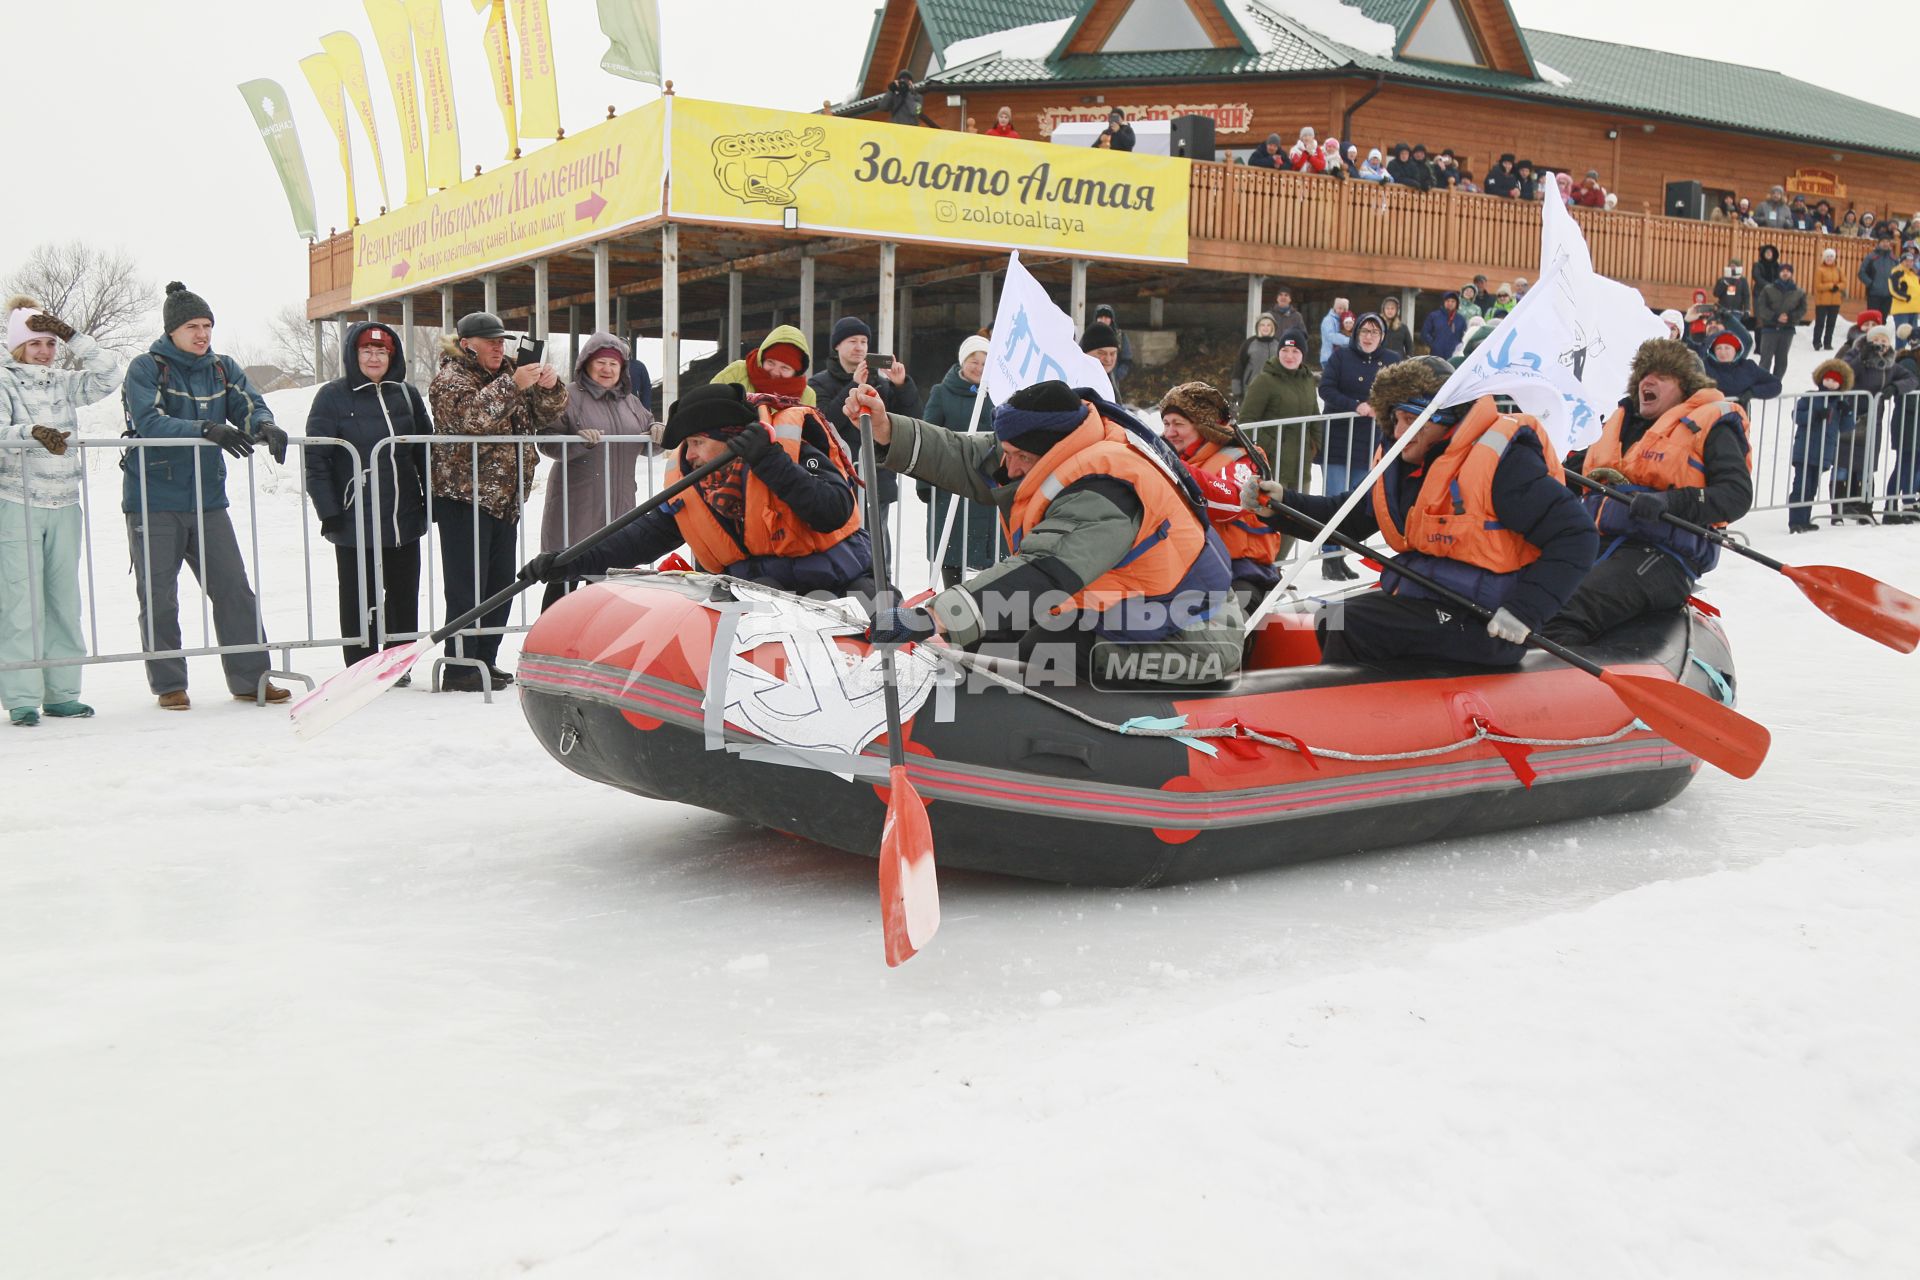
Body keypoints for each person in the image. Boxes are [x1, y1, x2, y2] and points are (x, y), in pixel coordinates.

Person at [852, 378, 1244, 684]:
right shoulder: (1057, 441)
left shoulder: (1107, 490)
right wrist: (888, 431)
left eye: (1018, 457)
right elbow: (971, 457)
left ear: (1046, 450)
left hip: (1191, 637)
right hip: (1122, 611)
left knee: (1048, 647)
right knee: (995, 634)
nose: (1009, 466)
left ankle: (1035, 750)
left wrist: (933, 618)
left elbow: (1043, 572)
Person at [1249, 357, 1594, 666]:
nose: (1400, 433)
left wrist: (1525, 611)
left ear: (1444, 418)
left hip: (1487, 622)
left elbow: (1576, 536)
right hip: (1428, 602)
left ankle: (1356, 720)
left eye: (1411, 420)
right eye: (1394, 420)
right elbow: (1346, 518)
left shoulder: (1505, 464)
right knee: (1332, 617)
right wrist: (1281, 504)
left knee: (1352, 619)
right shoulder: (1403, 466)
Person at [522, 380, 870, 599]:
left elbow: (834, 511)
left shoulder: (790, 453)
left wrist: (771, 462)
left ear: (730, 439)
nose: (688, 456)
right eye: (686, 445)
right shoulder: (695, 488)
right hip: (762, 600)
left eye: (697, 442)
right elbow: (638, 537)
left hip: (835, 592)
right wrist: (568, 562)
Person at [120, 282, 291, 711]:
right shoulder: (147, 367)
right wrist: (204, 429)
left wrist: (265, 424)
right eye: (193, 326)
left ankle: (252, 678)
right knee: (159, 594)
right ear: (172, 330)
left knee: (234, 589)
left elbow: (248, 403)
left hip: (207, 499)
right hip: (153, 498)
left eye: (208, 325)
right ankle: (169, 683)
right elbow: (149, 423)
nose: (202, 334)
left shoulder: (221, 367)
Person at [1543, 340, 1751, 647]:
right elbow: (1567, 476)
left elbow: (1736, 495)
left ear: (1687, 387)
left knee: (1565, 607)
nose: (1647, 381)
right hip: (1599, 546)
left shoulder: (1711, 426)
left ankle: (1562, 686)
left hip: (1664, 556)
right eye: (1643, 375)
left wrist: (1669, 502)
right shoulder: (1619, 427)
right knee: (1530, 595)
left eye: (1663, 376)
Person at [426, 310, 567, 691]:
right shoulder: (450, 378)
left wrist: (549, 388)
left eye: (501, 340)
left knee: (499, 584)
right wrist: (513, 384)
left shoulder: (509, 374)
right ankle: (460, 665)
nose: (498, 347)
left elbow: (542, 416)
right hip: (463, 497)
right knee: (466, 586)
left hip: (505, 497)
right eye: (490, 341)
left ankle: (485, 659)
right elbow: (472, 419)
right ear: (467, 344)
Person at [1, 297, 122, 725]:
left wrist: (75, 336)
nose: (45, 352)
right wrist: (31, 431)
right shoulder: (4, 380)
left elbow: (109, 375)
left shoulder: (63, 382)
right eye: (36, 343)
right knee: (21, 601)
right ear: (19, 346)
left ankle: (62, 691)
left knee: (63, 601)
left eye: (51, 342)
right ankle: (20, 695)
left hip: (65, 502)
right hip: (19, 502)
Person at [303, 321, 432, 674]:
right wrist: (328, 509)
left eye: (382, 351)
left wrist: (431, 499)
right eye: (367, 351)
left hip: (402, 513)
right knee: (360, 596)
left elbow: (426, 452)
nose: (374, 358)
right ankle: (360, 667)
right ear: (353, 354)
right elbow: (316, 459)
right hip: (353, 515)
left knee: (404, 594)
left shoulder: (407, 395)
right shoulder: (332, 396)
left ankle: (397, 664)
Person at [536, 332, 656, 610]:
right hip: (576, 506)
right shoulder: (568, 397)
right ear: (586, 364)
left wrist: (657, 431)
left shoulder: (631, 402)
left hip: (619, 506)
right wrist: (577, 441)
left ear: (623, 369)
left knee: (606, 585)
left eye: (614, 364)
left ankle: (597, 646)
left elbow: (649, 441)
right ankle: (548, 642)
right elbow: (546, 440)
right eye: (601, 362)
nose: (607, 369)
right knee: (564, 579)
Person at [1158, 382, 1278, 610]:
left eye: (1178, 424)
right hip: (1185, 570)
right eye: (1165, 423)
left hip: (1240, 571)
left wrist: (1179, 469)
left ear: (1203, 427)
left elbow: (1233, 504)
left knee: (1226, 620)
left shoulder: (1242, 458)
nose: (1169, 432)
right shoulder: (1168, 456)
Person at [1316, 313, 1402, 581]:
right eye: (1365, 331)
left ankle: (1340, 554)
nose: (1369, 337)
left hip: (1370, 442)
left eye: (1375, 332)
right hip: (1340, 440)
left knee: (1354, 502)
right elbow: (1325, 389)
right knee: (1334, 499)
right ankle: (1329, 557)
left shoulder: (1391, 361)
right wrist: (1355, 405)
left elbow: (1401, 391)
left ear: (1382, 337)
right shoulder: (1341, 357)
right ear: (1356, 334)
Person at [808, 315, 921, 515]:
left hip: (877, 480)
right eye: (852, 341)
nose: (859, 347)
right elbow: (824, 421)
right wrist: (854, 385)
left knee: (877, 542)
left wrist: (901, 385)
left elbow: (911, 419)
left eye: (864, 341)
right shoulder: (818, 383)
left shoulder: (882, 384)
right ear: (837, 346)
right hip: (836, 478)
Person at [919, 334, 998, 588]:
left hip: (989, 484)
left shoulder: (998, 394)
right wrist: (924, 483)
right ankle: (952, 607)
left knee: (994, 552)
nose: (978, 368)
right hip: (951, 484)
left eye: (985, 363)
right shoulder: (942, 393)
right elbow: (928, 435)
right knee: (951, 547)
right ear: (963, 362)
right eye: (973, 361)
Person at [1233, 327, 1323, 519]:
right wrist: (1273, 448)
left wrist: (1314, 445)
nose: (1289, 356)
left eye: (1295, 351)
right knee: (1273, 521)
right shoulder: (1264, 381)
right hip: (1274, 466)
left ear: (1303, 355)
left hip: (1301, 465)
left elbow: (1315, 415)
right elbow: (1246, 422)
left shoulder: (1307, 380)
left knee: (1299, 519)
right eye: (1285, 350)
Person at [1834, 325, 1918, 522]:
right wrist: (1862, 358)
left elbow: (1911, 379)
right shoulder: (1856, 354)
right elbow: (1845, 374)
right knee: (1844, 463)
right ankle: (1838, 508)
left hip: (1874, 419)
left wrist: (1895, 387)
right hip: (1851, 414)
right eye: (1877, 340)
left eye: (1885, 340)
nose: (1880, 344)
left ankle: (1865, 508)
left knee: (1868, 464)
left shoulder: (1890, 363)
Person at [1787, 360, 1859, 532]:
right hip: (1804, 449)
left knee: (1811, 487)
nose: (1830, 383)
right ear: (1821, 379)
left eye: (1835, 381)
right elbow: (1797, 416)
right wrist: (1815, 415)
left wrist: (1847, 410)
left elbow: (1847, 427)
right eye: (1828, 379)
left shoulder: (1839, 402)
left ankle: (1805, 519)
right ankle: (1795, 521)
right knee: (1800, 486)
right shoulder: (1810, 396)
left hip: (1824, 451)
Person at [1754, 261, 1807, 381]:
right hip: (1769, 329)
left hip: (1787, 330)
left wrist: (1791, 317)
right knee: (1765, 359)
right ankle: (1762, 382)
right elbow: (1761, 307)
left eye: (1788, 271)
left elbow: (1803, 309)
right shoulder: (1768, 289)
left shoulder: (1799, 292)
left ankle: (1776, 383)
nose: (1785, 273)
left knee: (1782, 360)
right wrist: (1775, 317)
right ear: (1779, 273)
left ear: (1791, 274)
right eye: (1783, 271)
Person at [1702, 327, 1782, 408]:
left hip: (1739, 417)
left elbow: (1775, 384)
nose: (1722, 352)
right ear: (1713, 351)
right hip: (1709, 416)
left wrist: (1752, 392)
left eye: (1727, 348)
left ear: (1736, 350)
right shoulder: (1704, 366)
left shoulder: (1748, 367)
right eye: (1718, 348)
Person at [1231, 314, 1281, 402]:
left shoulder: (1279, 344)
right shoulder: (1249, 343)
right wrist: (1237, 391)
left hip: (1275, 390)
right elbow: (1239, 367)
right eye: (1262, 325)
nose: (1265, 327)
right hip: (1252, 390)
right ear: (1258, 327)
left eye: (1268, 325)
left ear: (1273, 327)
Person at [1091, 303, 1134, 391]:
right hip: (1093, 378)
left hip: (1113, 379)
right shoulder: (1089, 335)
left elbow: (1127, 358)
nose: (1103, 320)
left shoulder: (1119, 336)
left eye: (1107, 317)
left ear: (1111, 319)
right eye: (1100, 317)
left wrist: (1119, 374)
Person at [1812, 247, 1847, 350]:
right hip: (1822, 301)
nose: (1830, 259)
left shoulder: (1839, 269)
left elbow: (1844, 282)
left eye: (1832, 256)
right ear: (1824, 258)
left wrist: (1838, 287)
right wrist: (1831, 286)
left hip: (1835, 301)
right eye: (1827, 256)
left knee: (1831, 323)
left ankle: (1828, 343)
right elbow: (1818, 286)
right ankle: (1816, 342)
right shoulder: (1820, 269)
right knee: (1820, 323)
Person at [1420, 291, 1468, 359]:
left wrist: (1459, 348)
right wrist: (1434, 345)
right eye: (1447, 301)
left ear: (1457, 303)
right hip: (1436, 355)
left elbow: (1464, 337)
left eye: (1453, 301)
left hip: (1454, 356)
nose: (1450, 303)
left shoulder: (1461, 319)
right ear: (1443, 302)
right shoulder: (1434, 316)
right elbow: (1424, 333)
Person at [1859, 237, 1897, 317]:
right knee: (1872, 319)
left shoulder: (1893, 259)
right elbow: (1861, 273)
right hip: (1874, 294)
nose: (1885, 244)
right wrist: (1871, 284)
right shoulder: (1871, 257)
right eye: (1883, 241)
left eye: (1887, 241)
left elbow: (1899, 274)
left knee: (1883, 320)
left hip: (1888, 295)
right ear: (1879, 243)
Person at [1890, 248, 1920, 335]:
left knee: (1914, 339)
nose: (1909, 263)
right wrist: (1906, 297)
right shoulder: (1897, 271)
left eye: (1911, 261)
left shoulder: (1913, 274)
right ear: (1901, 261)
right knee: (1902, 338)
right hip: (1902, 311)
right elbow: (1893, 290)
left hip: (1914, 310)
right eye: (1906, 261)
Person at [1715, 258, 1751, 324]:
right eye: (1731, 266)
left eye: (1734, 266)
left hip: (1736, 312)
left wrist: (1747, 310)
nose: (1732, 268)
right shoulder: (1722, 280)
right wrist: (1724, 283)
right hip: (1723, 311)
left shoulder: (1743, 281)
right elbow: (1716, 294)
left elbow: (1746, 296)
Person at [1318, 296, 1351, 364]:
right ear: (1335, 308)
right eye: (1339, 308)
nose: (1341, 311)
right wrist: (1349, 340)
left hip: (1339, 358)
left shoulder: (1343, 321)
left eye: (1344, 309)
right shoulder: (1328, 320)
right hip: (1329, 358)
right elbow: (1331, 336)